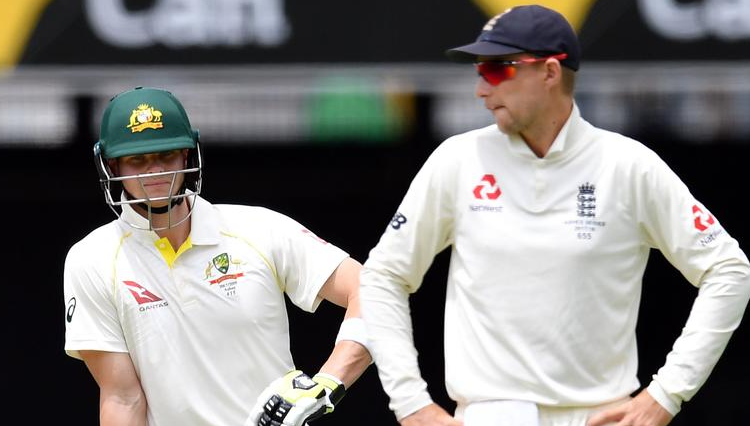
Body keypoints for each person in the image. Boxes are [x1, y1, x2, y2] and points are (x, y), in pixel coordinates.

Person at [359, 5, 750, 426]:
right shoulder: (457, 160)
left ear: (549, 72)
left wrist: (666, 394)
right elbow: (384, 275)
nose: (481, 89)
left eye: (497, 69)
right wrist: (411, 403)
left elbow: (728, 269)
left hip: (601, 417)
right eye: (479, 71)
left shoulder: (628, 165)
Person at [63, 86, 372, 426]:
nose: (154, 172)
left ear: (186, 156)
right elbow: (123, 397)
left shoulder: (258, 228)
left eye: (165, 155)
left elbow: (373, 292)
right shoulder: (92, 258)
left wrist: (326, 384)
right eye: (137, 160)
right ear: (111, 164)